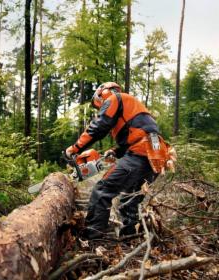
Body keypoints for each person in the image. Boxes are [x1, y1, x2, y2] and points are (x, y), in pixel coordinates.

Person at [65, 82, 172, 239]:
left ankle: (93, 236)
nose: (101, 106)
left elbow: (98, 127)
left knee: (102, 190)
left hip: (140, 153)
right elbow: (142, 133)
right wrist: (116, 151)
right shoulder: (134, 106)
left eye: (100, 103)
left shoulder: (115, 98)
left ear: (103, 93)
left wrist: (74, 148)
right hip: (156, 156)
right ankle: (130, 237)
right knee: (130, 200)